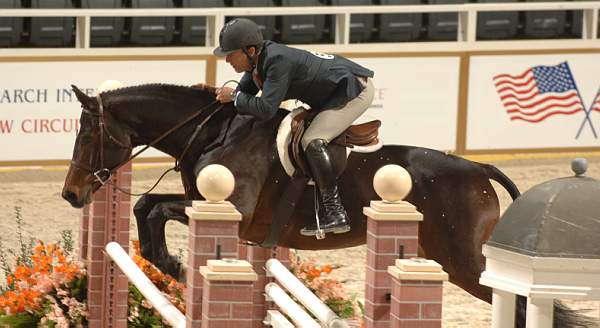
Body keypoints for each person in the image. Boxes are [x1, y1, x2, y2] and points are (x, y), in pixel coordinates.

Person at [214, 18, 375, 237]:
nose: (227, 60)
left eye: (231, 54)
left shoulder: (276, 61)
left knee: (313, 140)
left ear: (250, 50)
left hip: (353, 90)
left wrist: (234, 96)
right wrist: (214, 96)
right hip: (332, 91)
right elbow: (243, 97)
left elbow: (265, 109)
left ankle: (335, 212)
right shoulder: (258, 62)